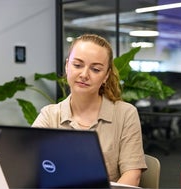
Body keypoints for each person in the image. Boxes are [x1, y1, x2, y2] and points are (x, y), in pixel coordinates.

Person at [32, 34, 147, 186]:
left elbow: (132, 176)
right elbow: (29, 164)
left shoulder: (125, 114)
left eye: (95, 69)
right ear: (67, 66)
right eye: (77, 65)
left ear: (106, 75)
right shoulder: (49, 115)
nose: (84, 75)